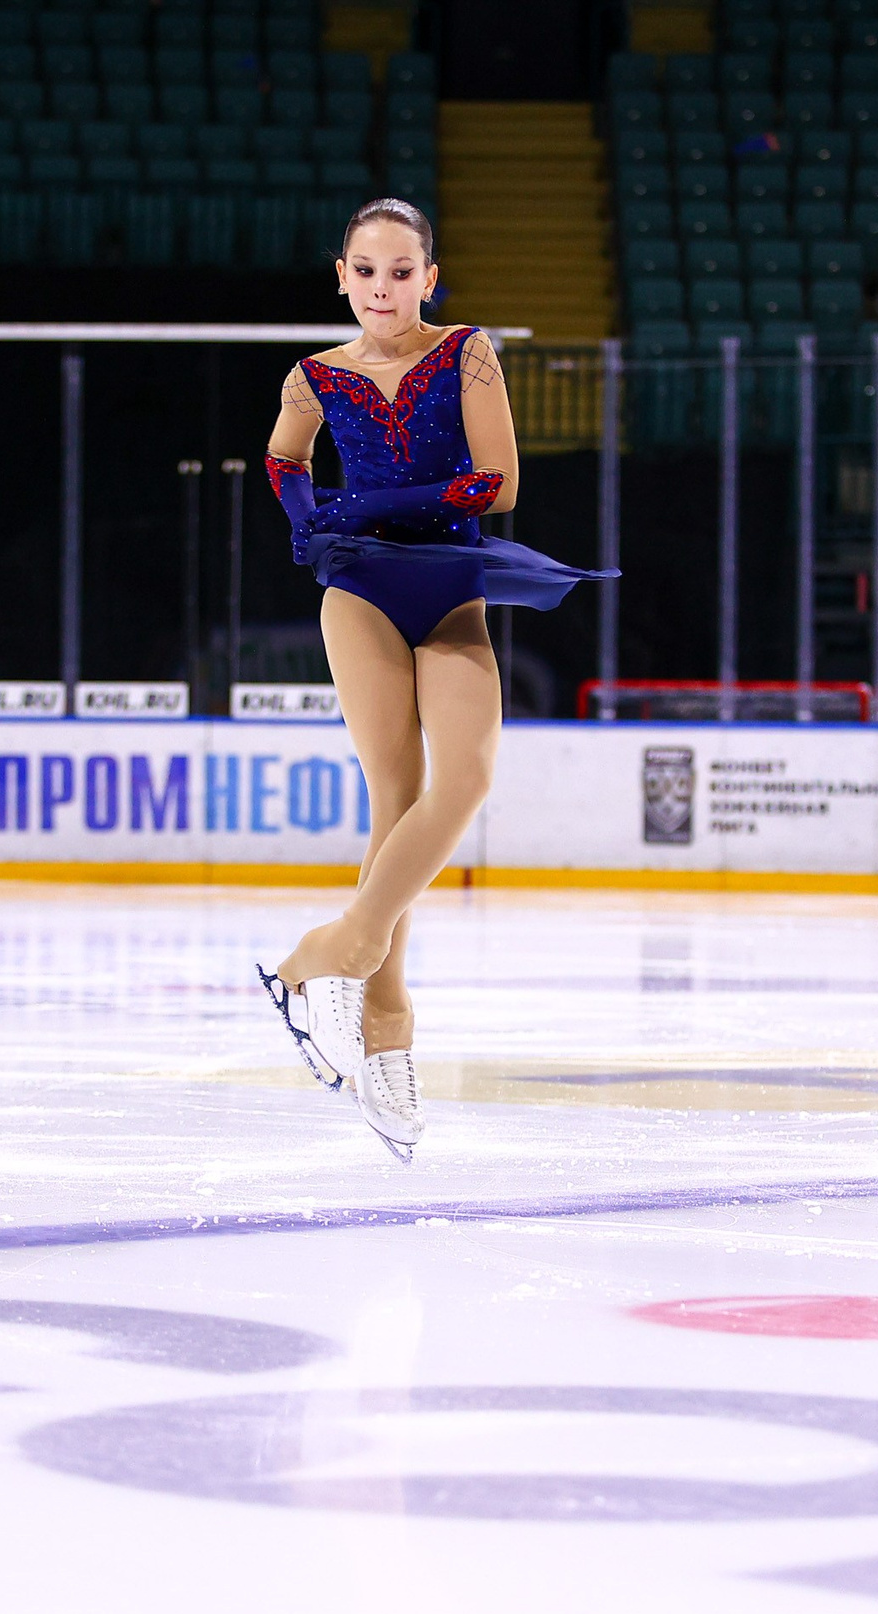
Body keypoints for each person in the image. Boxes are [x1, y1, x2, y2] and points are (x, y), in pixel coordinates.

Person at [256, 197, 614, 1162]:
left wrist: (360, 503)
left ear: (430, 277)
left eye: (401, 271)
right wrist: (307, 517)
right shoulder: (313, 375)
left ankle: (329, 953)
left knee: (466, 778)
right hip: (360, 589)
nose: (383, 288)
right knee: (396, 795)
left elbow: (495, 483)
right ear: (342, 276)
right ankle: (388, 1032)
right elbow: (283, 458)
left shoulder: (466, 353)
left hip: (450, 583)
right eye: (366, 271)